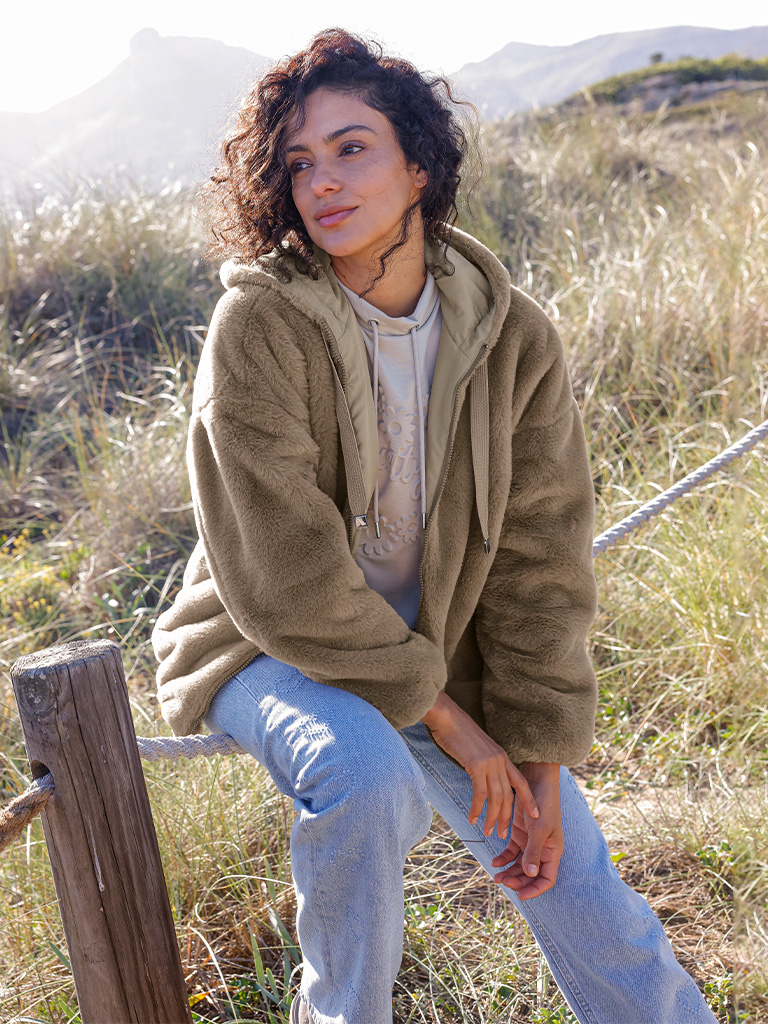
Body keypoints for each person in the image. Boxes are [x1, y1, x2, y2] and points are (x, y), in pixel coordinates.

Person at [152, 29, 717, 1024]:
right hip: (265, 643)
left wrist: (534, 758)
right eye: (298, 161)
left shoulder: (510, 332)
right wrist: (453, 723)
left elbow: (542, 558)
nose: (322, 181)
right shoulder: (260, 326)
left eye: (352, 147)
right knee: (365, 773)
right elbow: (286, 579)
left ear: (419, 162)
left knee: (575, 872)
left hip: (431, 650)